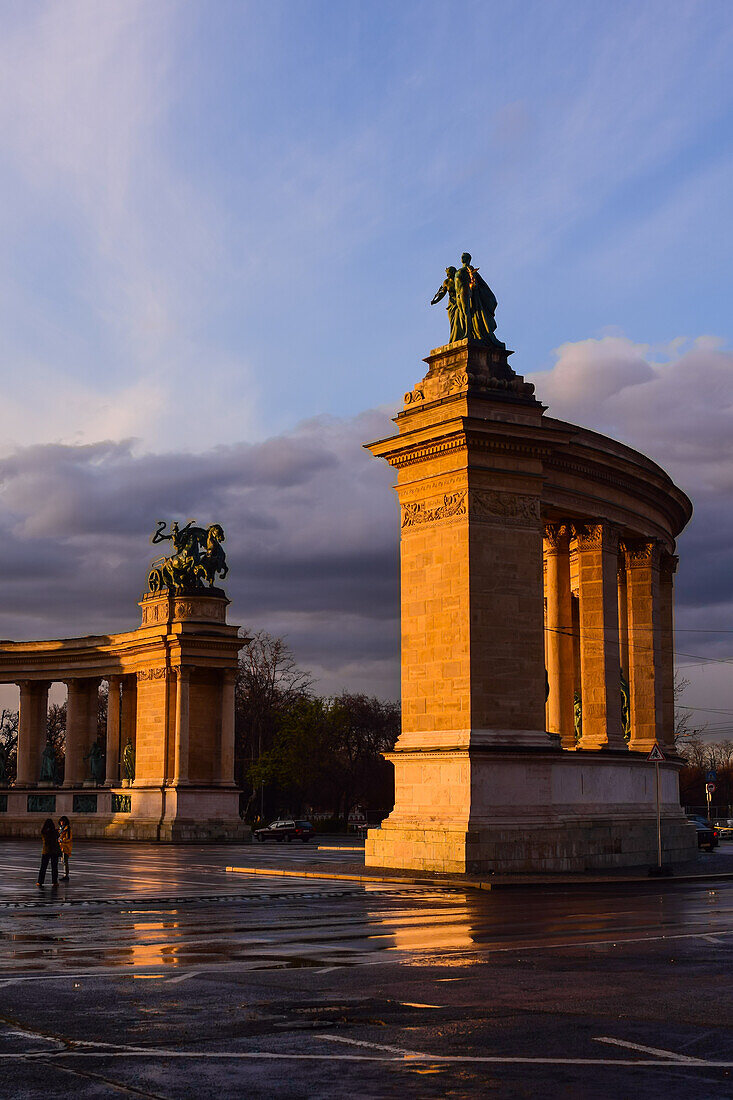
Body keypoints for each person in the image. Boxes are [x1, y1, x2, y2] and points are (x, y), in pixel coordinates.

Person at [37, 818, 61, 887]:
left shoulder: (44, 832)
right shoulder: (55, 832)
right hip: (54, 851)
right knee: (54, 867)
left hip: (46, 851)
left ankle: (40, 881)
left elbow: (46, 841)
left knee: (43, 867)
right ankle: (54, 881)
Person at [58, 816, 72, 880]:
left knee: (65, 861)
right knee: (63, 861)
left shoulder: (67, 829)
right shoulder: (61, 829)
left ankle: (66, 875)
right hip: (61, 847)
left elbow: (68, 838)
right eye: (61, 821)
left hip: (66, 847)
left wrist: (62, 840)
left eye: (63, 821)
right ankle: (65, 874)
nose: (62, 822)